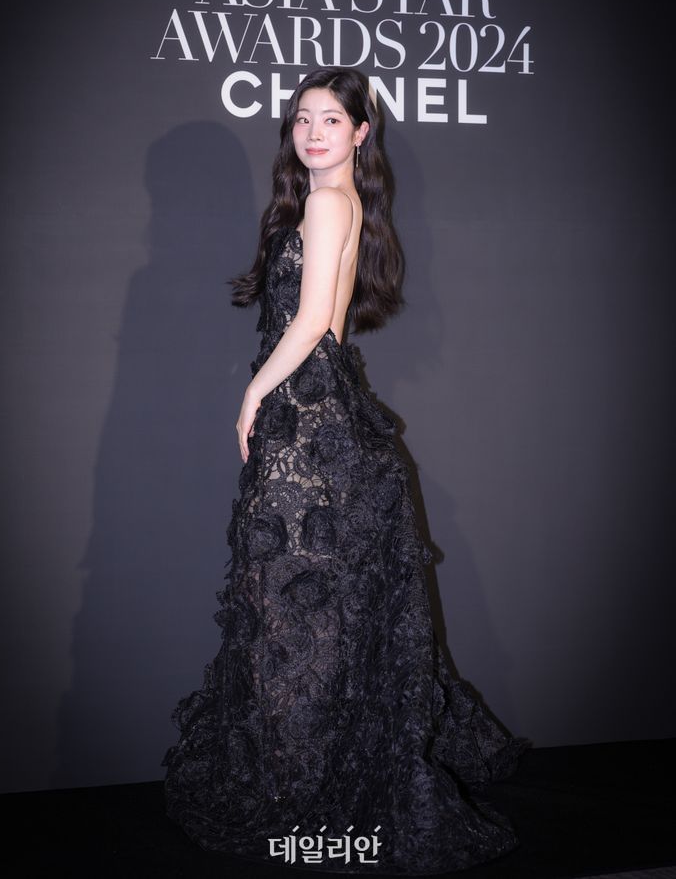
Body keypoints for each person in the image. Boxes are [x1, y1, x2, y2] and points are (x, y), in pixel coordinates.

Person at [161, 67, 532, 874]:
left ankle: (300, 790)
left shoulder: (330, 204)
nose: (312, 131)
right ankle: (309, 778)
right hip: (318, 420)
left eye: (331, 118)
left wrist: (252, 396)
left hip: (306, 425)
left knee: (295, 614)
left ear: (362, 133)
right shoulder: (328, 202)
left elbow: (311, 327)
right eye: (302, 118)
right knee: (310, 611)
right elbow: (332, 331)